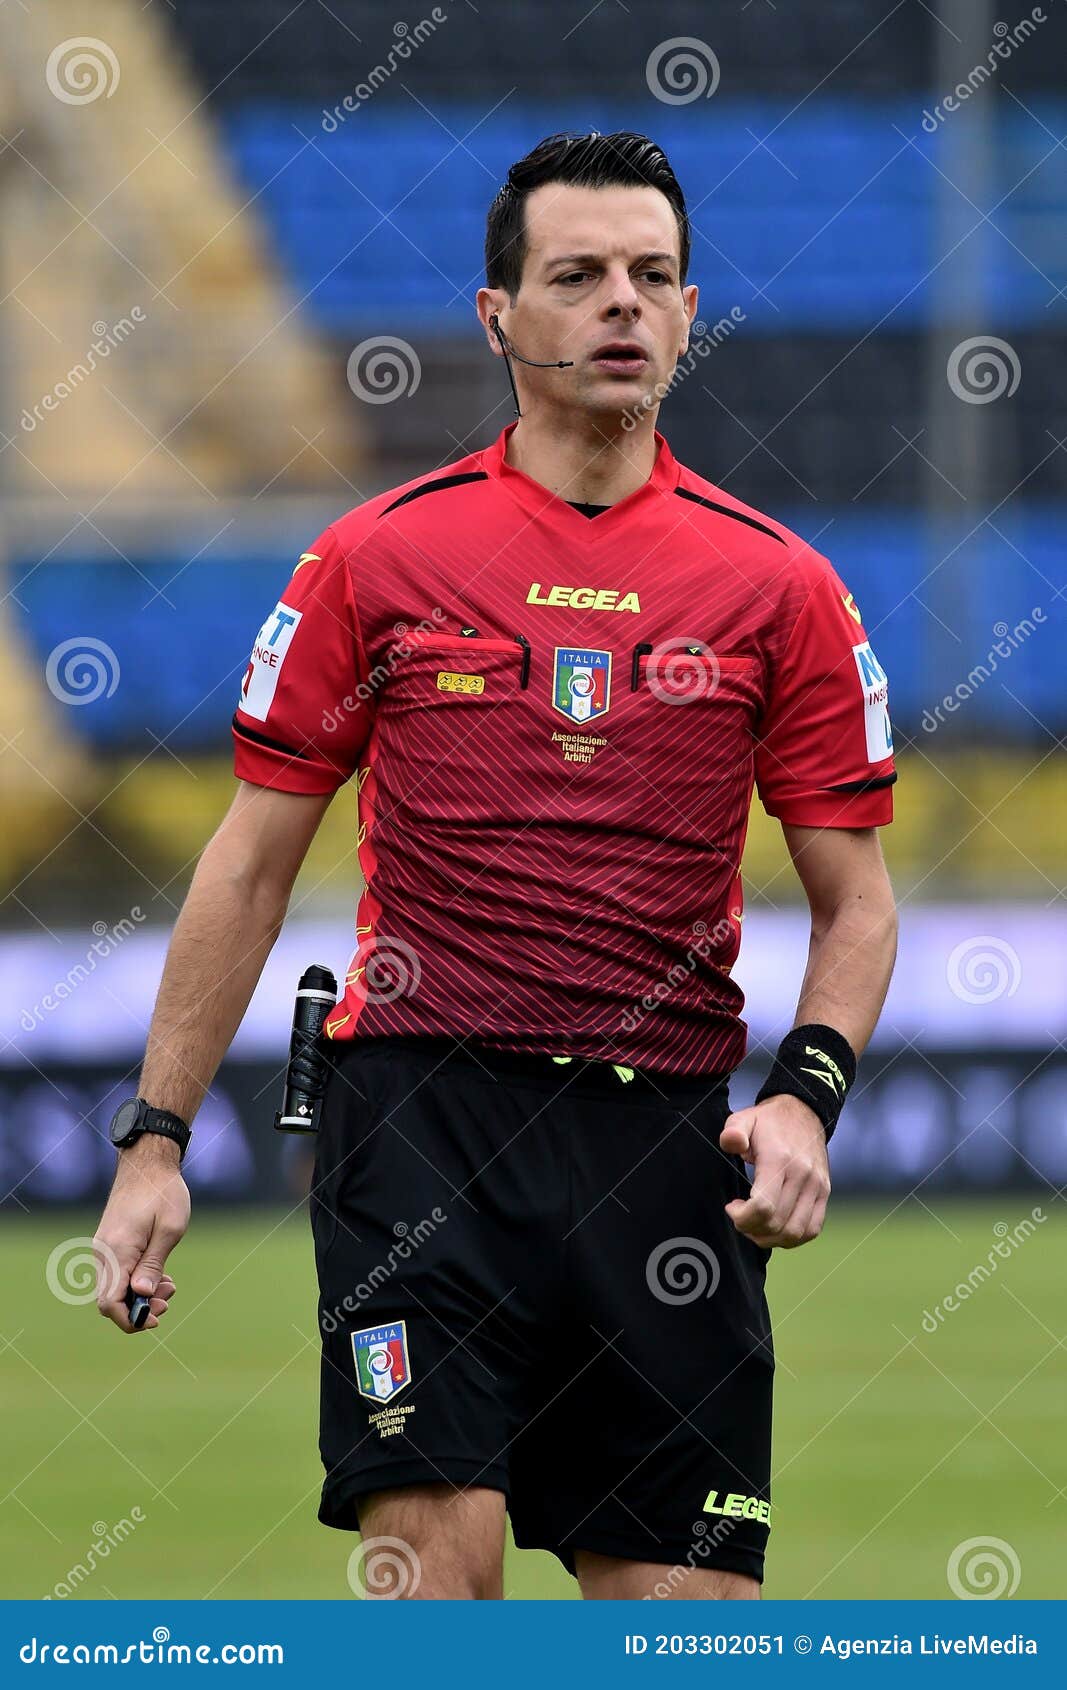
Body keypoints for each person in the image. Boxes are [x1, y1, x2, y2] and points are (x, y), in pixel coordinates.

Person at [92, 131, 898, 1601]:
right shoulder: (374, 557)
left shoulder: (782, 585)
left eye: (653, 277)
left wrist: (805, 1098)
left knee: (686, 1625)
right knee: (435, 1588)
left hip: (664, 1145)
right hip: (422, 1116)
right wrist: (157, 1137)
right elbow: (249, 866)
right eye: (579, 275)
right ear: (496, 314)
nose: (621, 306)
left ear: (691, 312)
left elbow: (858, 900)